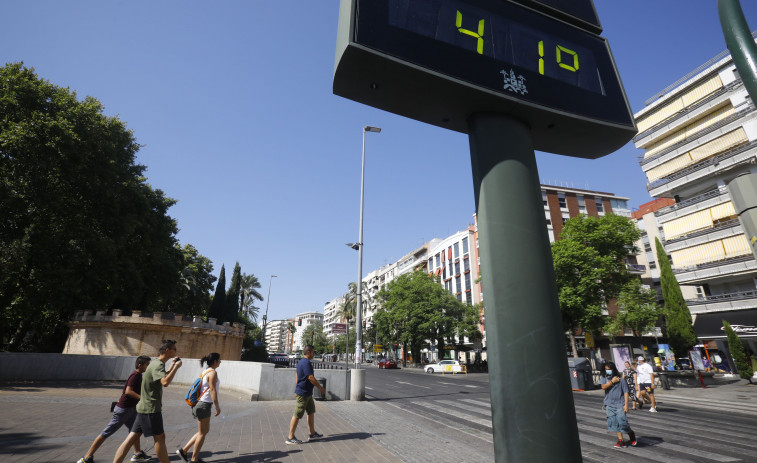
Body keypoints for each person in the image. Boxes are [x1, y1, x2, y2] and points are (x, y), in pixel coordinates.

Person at [113, 340, 183, 463]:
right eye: (174, 349)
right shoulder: (158, 364)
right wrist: (176, 367)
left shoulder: (155, 362)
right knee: (160, 438)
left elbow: (159, 376)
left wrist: (171, 366)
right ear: (167, 350)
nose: (175, 351)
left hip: (143, 407)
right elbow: (165, 382)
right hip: (151, 408)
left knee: (130, 439)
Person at [77, 356, 152, 463]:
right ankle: (86, 457)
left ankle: (137, 453)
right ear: (140, 365)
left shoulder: (139, 375)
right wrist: (143, 398)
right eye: (147, 364)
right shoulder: (135, 375)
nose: (148, 366)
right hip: (124, 410)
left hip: (130, 409)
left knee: (134, 431)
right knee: (106, 433)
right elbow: (128, 391)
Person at [176, 353, 222, 463]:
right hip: (204, 405)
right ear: (215, 361)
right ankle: (194, 459)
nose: (220, 362)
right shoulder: (213, 373)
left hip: (201, 405)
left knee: (204, 431)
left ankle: (184, 450)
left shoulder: (205, 371)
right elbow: (212, 390)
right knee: (202, 433)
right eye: (219, 360)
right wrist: (217, 406)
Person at [286, 345, 326, 445]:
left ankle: (312, 434)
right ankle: (290, 437)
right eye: (313, 352)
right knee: (297, 414)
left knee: (311, 411)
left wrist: (296, 389)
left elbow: (297, 376)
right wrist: (321, 388)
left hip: (307, 393)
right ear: (308, 352)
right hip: (303, 393)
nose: (314, 354)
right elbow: (311, 378)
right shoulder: (306, 363)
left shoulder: (301, 362)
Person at [600, 361, 637, 449]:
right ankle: (621, 440)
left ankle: (630, 433)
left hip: (620, 404)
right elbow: (603, 387)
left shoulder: (621, 379)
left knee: (622, 422)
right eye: (606, 369)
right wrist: (612, 382)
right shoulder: (604, 377)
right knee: (614, 423)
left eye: (609, 369)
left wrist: (626, 405)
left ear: (613, 369)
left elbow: (626, 392)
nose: (607, 371)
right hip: (609, 404)